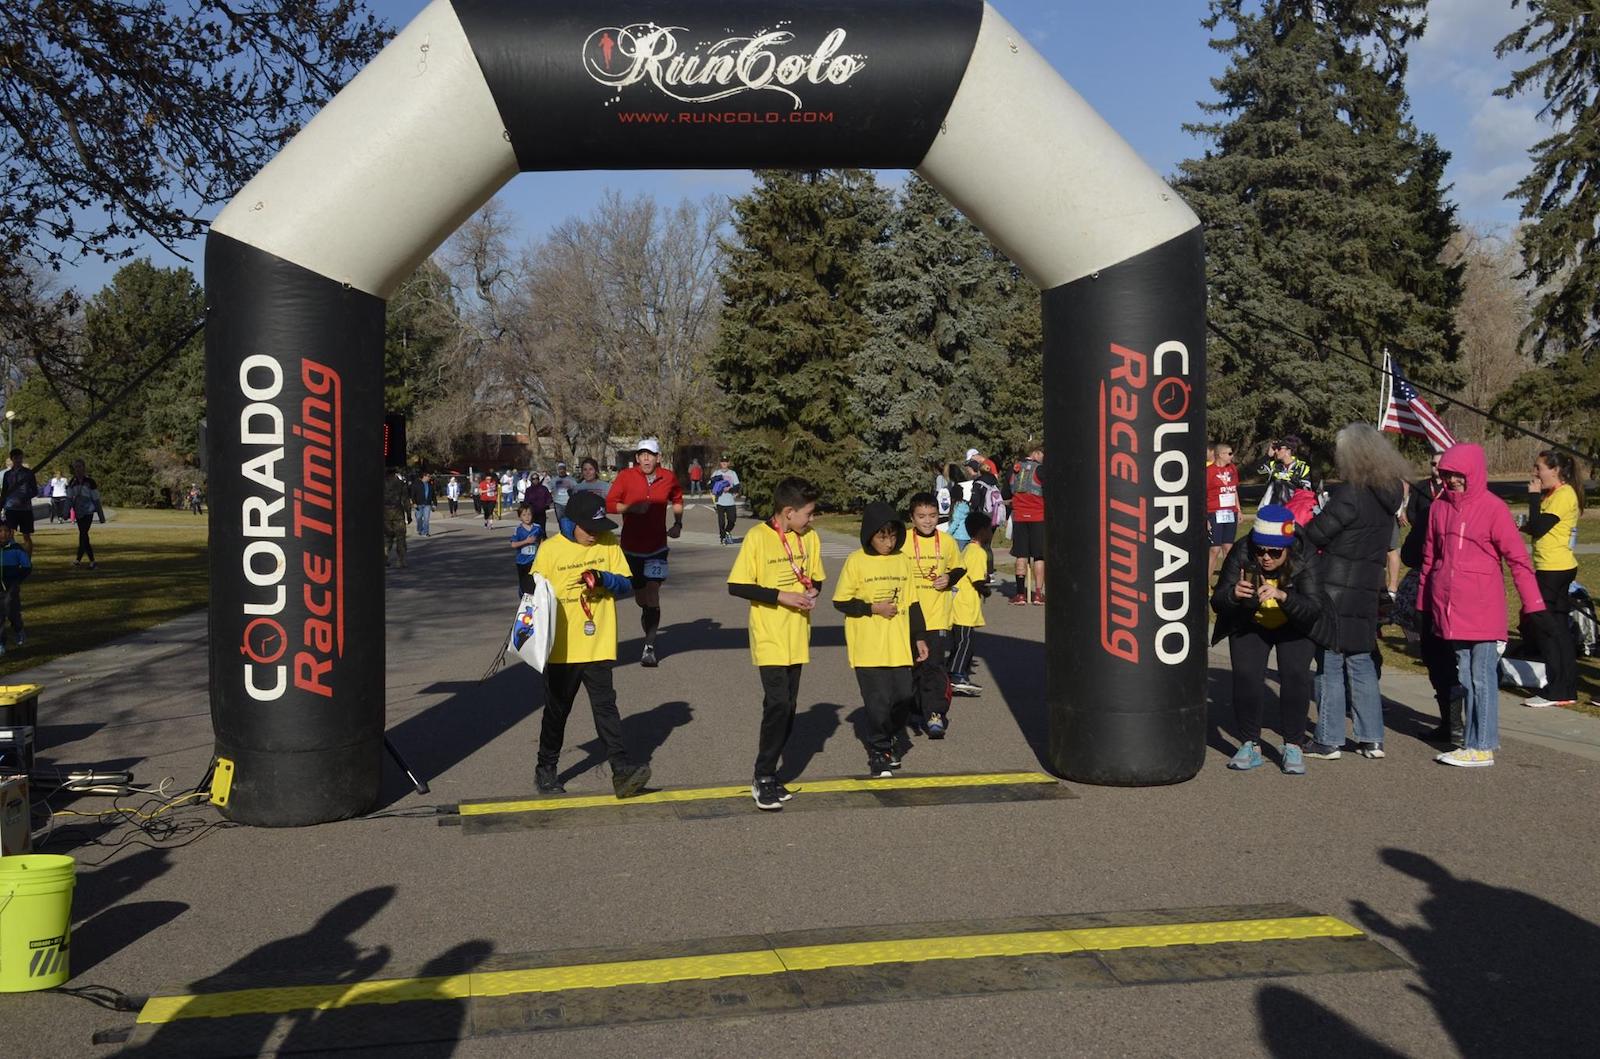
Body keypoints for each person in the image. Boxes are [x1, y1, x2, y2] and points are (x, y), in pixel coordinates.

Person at [1417, 443, 1548, 768]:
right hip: (1450, 608)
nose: (1453, 481)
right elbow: (1430, 560)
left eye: (1459, 475)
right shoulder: (1438, 508)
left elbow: (1518, 559)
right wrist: (1424, 601)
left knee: (1482, 676)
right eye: (1448, 475)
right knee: (1464, 675)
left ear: (1473, 474)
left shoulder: (1493, 508)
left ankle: (1483, 744)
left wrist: (1533, 604)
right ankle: (1473, 741)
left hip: (1483, 608)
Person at [528, 489, 652, 798]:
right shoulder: (550, 550)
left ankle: (621, 772)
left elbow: (627, 583)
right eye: (590, 529)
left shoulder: (608, 544)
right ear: (571, 523)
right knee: (557, 711)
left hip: (597, 643)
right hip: (561, 648)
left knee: (606, 708)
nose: (596, 535)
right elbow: (533, 596)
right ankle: (546, 768)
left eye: (600, 529)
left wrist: (603, 578)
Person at [1301, 424, 1410, 761]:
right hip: (1367, 585)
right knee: (1361, 661)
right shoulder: (1387, 494)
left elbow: (1317, 534)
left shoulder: (1351, 494)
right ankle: (1371, 737)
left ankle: (1329, 737)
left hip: (1335, 587)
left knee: (1330, 663)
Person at [1211, 505, 1334, 775]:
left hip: (1295, 623)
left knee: (1294, 677)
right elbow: (1217, 601)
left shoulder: (1306, 554)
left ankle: (1293, 744)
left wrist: (1283, 597)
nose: (1265, 557)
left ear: (1288, 548)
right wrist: (1233, 593)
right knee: (1246, 676)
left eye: (1274, 552)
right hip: (1251, 622)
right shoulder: (1242, 550)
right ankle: (1249, 744)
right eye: (1261, 550)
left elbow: (1314, 607)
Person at [726, 477, 825, 810]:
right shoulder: (757, 538)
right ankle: (763, 775)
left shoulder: (810, 538)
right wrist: (781, 595)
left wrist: (813, 591)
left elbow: (817, 577)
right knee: (778, 703)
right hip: (769, 634)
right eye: (808, 514)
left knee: (789, 707)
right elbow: (737, 585)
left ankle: (771, 773)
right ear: (788, 512)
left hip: (798, 634)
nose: (811, 520)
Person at [832, 502, 929, 778]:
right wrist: (873, 608)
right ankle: (879, 750)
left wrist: (920, 638)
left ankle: (894, 735)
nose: (889, 542)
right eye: (882, 536)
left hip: (898, 645)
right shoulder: (856, 561)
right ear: (869, 536)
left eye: (893, 535)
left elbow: (912, 603)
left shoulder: (902, 560)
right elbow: (841, 601)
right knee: (877, 702)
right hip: (867, 647)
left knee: (903, 696)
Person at [1399, 451, 1462, 743]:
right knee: (1441, 660)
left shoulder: (1440, 511)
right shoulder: (1429, 507)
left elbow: (1411, 553)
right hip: (1439, 593)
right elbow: (1410, 552)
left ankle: (1460, 725)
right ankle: (1452, 724)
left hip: (1452, 595)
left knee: (1448, 661)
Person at [607, 438, 683, 667]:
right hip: (631, 548)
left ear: (658, 457)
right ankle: (648, 617)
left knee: (652, 593)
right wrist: (630, 507)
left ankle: (649, 646)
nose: (646, 458)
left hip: (657, 547)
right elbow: (610, 504)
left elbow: (677, 499)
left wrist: (678, 524)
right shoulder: (625, 477)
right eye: (642, 454)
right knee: (641, 598)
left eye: (650, 454)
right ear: (637, 458)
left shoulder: (668, 477)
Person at [1520, 449, 1584, 708]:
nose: (1535, 473)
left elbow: (1538, 526)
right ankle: (1563, 687)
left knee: (1547, 628)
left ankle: (1559, 689)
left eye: (1539, 468)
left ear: (1555, 470)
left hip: (1555, 569)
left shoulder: (1564, 494)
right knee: (1555, 628)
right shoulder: (1554, 494)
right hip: (1549, 566)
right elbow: (1539, 526)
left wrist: (1533, 496)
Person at [906, 491, 965, 737]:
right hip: (909, 615)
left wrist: (949, 578)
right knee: (912, 668)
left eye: (932, 516)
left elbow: (960, 567)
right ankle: (914, 708)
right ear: (912, 517)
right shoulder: (903, 541)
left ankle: (935, 713)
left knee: (934, 666)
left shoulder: (947, 541)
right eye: (921, 516)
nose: (927, 521)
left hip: (938, 616)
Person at [948, 513, 995, 697]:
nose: (991, 533)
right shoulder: (977, 552)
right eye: (990, 529)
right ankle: (956, 675)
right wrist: (986, 590)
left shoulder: (968, 548)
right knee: (965, 641)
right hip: (965, 605)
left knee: (961, 640)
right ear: (982, 531)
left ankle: (954, 671)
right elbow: (977, 580)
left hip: (960, 603)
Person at [1008, 444, 1045, 605]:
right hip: (1038, 517)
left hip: (1019, 517)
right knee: (1039, 556)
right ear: (1036, 453)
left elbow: (1006, 491)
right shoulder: (1040, 470)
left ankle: (1020, 594)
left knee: (1021, 555)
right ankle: (1038, 594)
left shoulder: (1014, 470)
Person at [1206, 442, 1241, 584]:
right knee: (1214, 549)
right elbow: (1202, 495)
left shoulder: (1232, 469)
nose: (1232, 456)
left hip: (1230, 512)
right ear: (1220, 455)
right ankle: (1205, 584)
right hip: (1214, 513)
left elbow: (1234, 490)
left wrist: (1238, 509)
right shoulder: (1209, 472)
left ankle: (1229, 583)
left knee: (1229, 548)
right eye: (1229, 453)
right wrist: (1205, 518)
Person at [0, 522, 32, 656]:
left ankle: (19, 630)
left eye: (6, 531)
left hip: (11, 586)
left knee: (11, 610)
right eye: (0, 531)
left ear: (11, 533)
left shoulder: (16, 548)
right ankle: (1, 643)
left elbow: (26, 567)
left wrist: (17, 580)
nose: (3, 534)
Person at [1258, 435, 1315, 508]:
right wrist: (1268, 456)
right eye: (1275, 448)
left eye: (1278, 448)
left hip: (1294, 510)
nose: (1275, 451)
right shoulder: (1274, 465)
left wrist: (1290, 481)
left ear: (1288, 450)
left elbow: (1307, 492)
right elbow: (1255, 470)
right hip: (1274, 510)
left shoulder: (1302, 468)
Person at [65, 460, 103, 568]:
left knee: (83, 533)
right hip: (78, 511)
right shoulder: (72, 482)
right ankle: (79, 559)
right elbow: (68, 497)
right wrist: (65, 512)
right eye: (76, 467)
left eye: (80, 466)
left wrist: (101, 515)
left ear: (84, 468)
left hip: (88, 511)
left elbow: (96, 498)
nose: (78, 469)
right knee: (83, 535)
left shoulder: (90, 482)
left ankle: (91, 560)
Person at [2, 449, 40, 554]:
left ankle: (27, 561)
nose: (18, 460)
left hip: (25, 509)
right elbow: (4, 491)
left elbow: (35, 490)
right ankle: (12, 558)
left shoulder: (28, 473)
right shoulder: (7, 474)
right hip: (11, 508)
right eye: (16, 458)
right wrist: (1, 504)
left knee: (26, 536)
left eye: (20, 458)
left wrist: (25, 498)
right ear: (12, 459)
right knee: (9, 535)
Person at [509, 501, 543, 595]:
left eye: (529, 514)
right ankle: (524, 598)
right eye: (524, 515)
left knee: (535, 581)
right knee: (524, 582)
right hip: (522, 561)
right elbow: (513, 544)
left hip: (535, 561)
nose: (527, 517)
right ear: (520, 517)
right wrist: (526, 541)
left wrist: (541, 549)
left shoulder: (537, 528)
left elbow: (542, 539)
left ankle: (535, 599)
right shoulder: (518, 530)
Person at [383, 469, 411, 568]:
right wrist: (409, 515)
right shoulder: (400, 484)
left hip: (385, 514)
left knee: (387, 537)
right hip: (398, 513)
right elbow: (406, 500)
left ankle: (385, 556)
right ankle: (401, 560)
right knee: (401, 538)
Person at [710, 455, 740, 545]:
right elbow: (710, 485)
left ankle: (727, 531)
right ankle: (722, 538)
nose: (724, 463)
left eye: (726, 462)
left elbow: (737, 486)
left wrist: (730, 489)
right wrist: (715, 487)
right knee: (721, 521)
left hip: (730, 501)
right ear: (720, 463)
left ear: (728, 463)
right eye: (723, 462)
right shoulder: (716, 473)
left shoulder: (732, 473)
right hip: (720, 501)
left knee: (732, 520)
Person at [410, 471, 435, 537]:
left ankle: (425, 532)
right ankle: (420, 529)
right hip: (418, 504)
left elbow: (433, 495)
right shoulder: (416, 484)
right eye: (428, 476)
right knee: (419, 518)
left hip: (427, 504)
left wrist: (434, 504)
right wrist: (414, 503)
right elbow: (413, 495)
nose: (429, 478)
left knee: (426, 519)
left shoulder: (430, 485)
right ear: (424, 476)